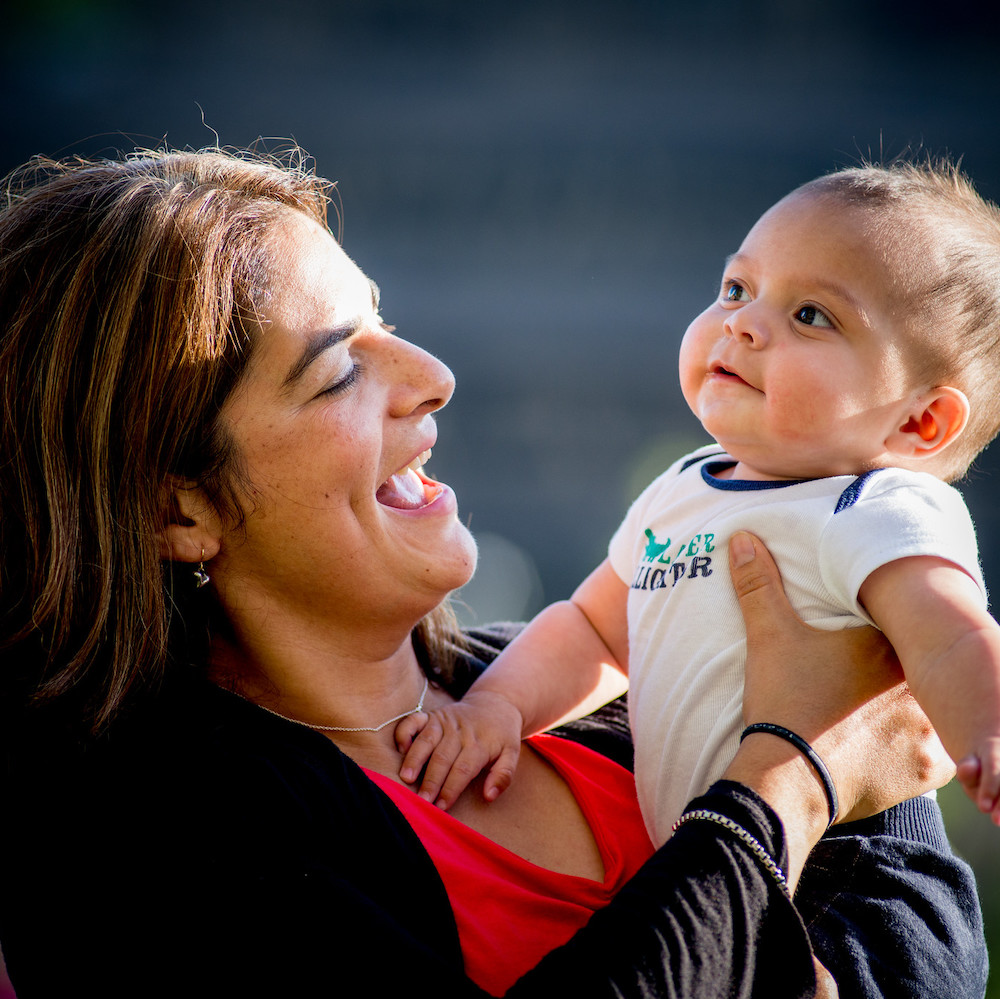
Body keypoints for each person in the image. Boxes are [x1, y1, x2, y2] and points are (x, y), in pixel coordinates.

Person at [0, 148, 984, 999]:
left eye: (385, 320)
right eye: (339, 369)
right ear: (182, 509)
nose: (433, 374)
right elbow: (823, 769)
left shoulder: (638, 671)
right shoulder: (136, 855)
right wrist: (781, 781)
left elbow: (931, 944)